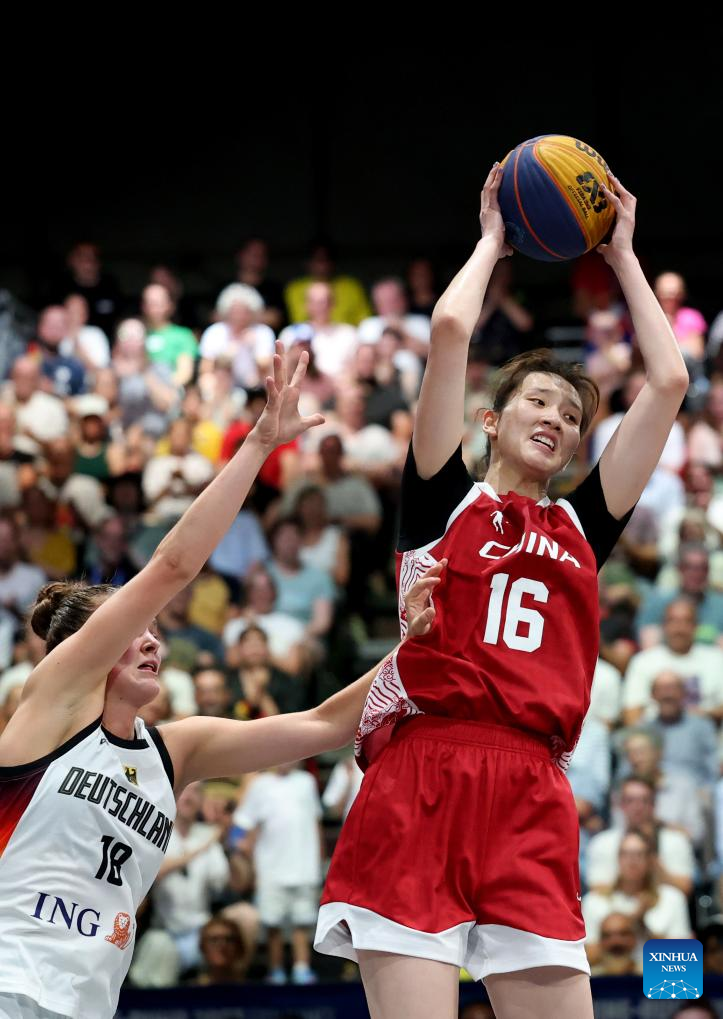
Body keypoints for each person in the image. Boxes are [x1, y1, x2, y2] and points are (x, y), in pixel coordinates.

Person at [314, 164, 688, 1019]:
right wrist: (492, 239)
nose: (556, 418)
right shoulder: (443, 499)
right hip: (426, 768)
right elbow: (450, 328)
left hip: (531, 786)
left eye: (571, 415)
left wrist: (622, 255)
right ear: (490, 418)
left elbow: (668, 382)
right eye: (539, 402)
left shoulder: (583, 526)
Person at [0, 342, 444, 1019]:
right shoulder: (53, 700)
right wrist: (260, 443)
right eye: (134, 628)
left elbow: (324, 723)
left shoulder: (175, 751)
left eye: (154, 630)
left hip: (84, 1003)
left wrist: (412, 647)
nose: (151, 638)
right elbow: (173, 567)